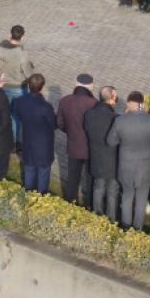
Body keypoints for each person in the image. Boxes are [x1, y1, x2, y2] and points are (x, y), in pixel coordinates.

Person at [106, 91, 150, 231]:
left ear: (128, 104)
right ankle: (137, 229)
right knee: (142, 200)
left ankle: (125, 226)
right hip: (145, 166)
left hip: (126, 166)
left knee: (127, 197)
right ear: (141, 104)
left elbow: (111, 141)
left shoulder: (120, 120)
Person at [56, 73, 99, 205]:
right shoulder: (95, 104)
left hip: (73, 145)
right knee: (91, 178)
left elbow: (60, 123)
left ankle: (70, 202)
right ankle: (90, 204)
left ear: (76, 84)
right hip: (90, 148)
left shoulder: (65, 101)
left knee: (72, 177)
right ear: (91, 86)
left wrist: (71, 132)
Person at [14, 73, 56, 194]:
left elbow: (18, 115)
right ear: (42, 87)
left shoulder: (19, 101)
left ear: (29, 86)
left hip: (28, 140)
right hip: (44, 145)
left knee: (29, 168)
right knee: (43, 172)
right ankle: (41, 197)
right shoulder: (46, 107)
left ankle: (28, 194)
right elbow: (53, 124)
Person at [84, 86, 120, 221]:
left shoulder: (89, 114)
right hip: (112, 160)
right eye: (115, 96)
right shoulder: (116, 118)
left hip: (96, 157)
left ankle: (97, 215)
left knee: (98, 187)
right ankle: (111, 219)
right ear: (111, 100)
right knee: (112, 190)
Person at [0, 25, 34, 147]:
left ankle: (8, 140)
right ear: (22, 37)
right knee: (18, 116)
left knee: (6, 114)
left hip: (4, 84)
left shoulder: (0, 47)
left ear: (10, 34)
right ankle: (18, 142)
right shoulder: (22, 53)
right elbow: (28, 74)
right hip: (18, 88)